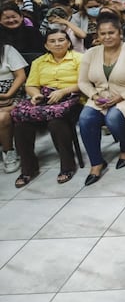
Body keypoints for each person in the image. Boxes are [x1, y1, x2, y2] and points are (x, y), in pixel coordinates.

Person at [77, 13, 125, 185]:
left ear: (120, 33)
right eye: (103, 34)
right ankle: (96, 162)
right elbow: (82, 81)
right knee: (85, 119)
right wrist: (94, 95)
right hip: (100, 98)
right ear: (98, 36)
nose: (107, 37)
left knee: (113, 117)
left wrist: (121, 97)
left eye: (111, 33)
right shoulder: (91, 53)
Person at [11, 29, 82, 186]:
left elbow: (85, 83)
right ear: (46, 45)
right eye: (52, 41)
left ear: (69, 43)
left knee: (56, 122)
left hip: (72, 100)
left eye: (61, 40)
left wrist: (63, 91)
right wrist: (36, 95)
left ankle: (68, 166)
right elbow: (31, 85)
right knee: (22, 124)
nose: (57, 44)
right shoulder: (39, 62)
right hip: (45, 101)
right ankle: (28, 168)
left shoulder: (79, 59)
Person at [0, 42, 27, 174]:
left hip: (14, 95)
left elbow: (21, 76)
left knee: (3, 116)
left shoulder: (7, 50)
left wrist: (8, 94)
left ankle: (9, 151)